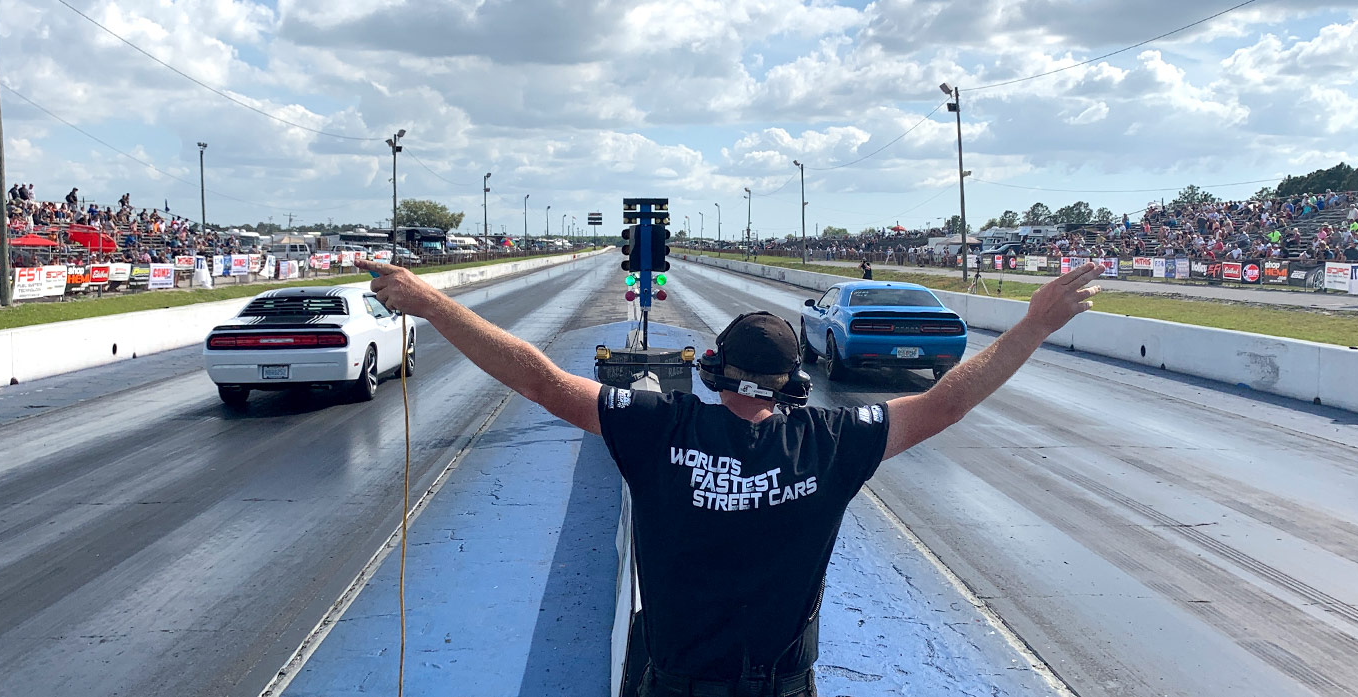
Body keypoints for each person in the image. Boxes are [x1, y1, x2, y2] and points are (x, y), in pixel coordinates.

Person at [355, 258, 1104, 697]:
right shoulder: (831, 440)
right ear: (794, 386)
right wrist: (1034, 322)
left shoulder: (660, 425)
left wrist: (429, 301)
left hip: (670, 679)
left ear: (711, 373)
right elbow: (946, 401)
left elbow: (543, 381)